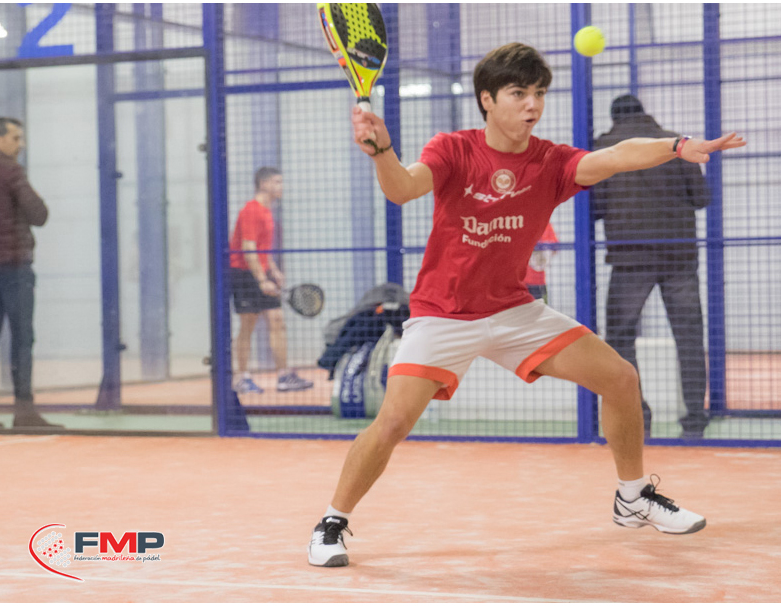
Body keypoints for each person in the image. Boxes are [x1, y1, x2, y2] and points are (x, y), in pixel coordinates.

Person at [308, 43, 745, 567]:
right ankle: (332, 521)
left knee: (620, 378)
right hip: (443, 313)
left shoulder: (551, 162)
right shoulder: (454, 149)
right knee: (394, 422)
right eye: (518, 93)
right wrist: (382, 151)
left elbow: (615, 156)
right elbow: (403, 189)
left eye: (539, 93)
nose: (532, 104)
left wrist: (677, 146)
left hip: (514, 310)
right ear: (487, 100)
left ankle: (632, 498)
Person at [593, 94, 712, 439]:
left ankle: (638, 417)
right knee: (689, 337)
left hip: (630, 258)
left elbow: (595, 208)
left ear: (615, 118)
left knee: (620, 338)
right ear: (645, 113)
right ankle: (694, 420)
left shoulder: (603, 149)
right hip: (678, 256)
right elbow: (702, 198)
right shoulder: (675, 144)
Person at [0, 117, 61, 429]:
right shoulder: (9, 170)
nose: (20, 145)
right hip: (13, 266)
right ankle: (24, 411)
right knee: (22, 338)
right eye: (15, 138)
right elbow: (39, 213)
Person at [229, 167, 313, 394]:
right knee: (248, 324)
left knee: (277, 321)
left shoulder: (267, 212)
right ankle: (241, 377)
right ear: (264, 184)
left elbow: (261, 248)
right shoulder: (251, 210)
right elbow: (248, 248)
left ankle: (284, 376)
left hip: (261, 271)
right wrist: (261, 280)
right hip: (244, 273)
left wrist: (273, 270)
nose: (281, 186)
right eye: (277, 182)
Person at [523, 221, 558, 303]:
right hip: (529, 281)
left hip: (534, 280)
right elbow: (554, 247)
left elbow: (554, 247)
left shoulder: (545, 224)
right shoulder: (544, 223)